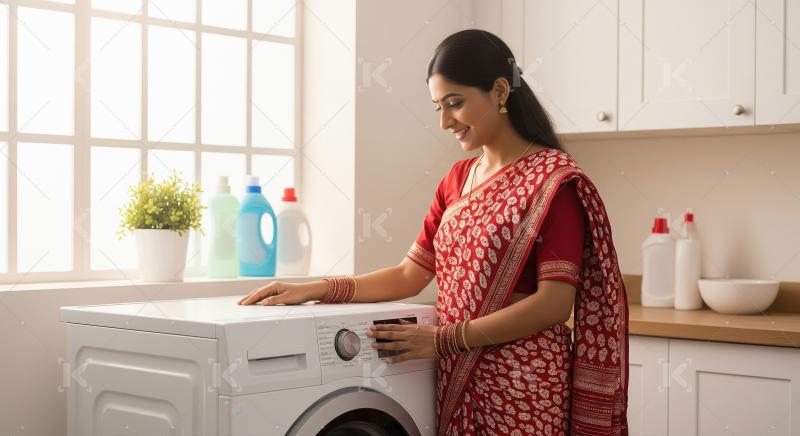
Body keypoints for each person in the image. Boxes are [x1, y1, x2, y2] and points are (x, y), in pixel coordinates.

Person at [238, 29, 629, 436]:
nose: (444, 122)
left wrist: (443, 341)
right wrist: (315, 288)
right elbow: (410, 274)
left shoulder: (553, 182)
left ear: (499, 91)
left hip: (524, 382)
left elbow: (554, 303)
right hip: (458, 373)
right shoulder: (458, 179)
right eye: (437, 107)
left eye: (455, 104)